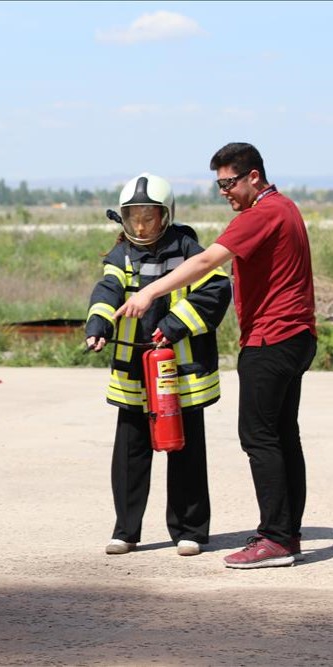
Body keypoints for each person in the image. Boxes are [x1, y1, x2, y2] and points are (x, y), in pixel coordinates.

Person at [114, 143, 317, 569]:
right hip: (296, 337)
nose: (224, 191)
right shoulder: (288, 208)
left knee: (259, 438)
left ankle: (276, 539)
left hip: (270, 340)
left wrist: (151, 290)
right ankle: (287, 532)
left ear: (253, 177)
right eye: (219, 183)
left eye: (229, 183)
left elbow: (208, 260)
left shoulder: (261, 214)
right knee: (283, 436)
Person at [85, 172, 231, 557]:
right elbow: (108, 289)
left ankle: (191, 532)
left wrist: (172, 325)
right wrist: (97, 324)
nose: (140, 225)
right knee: (130, 452)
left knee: (185, 450)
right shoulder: (121, 255)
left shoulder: (187, 247)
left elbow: (217, 288)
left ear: (166, 216)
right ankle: (126, 531)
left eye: (148, 217)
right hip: (134, 369)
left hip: (182, 373)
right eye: (132, 217)